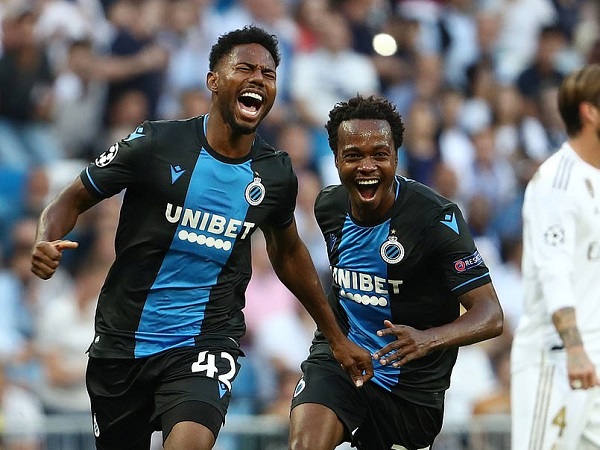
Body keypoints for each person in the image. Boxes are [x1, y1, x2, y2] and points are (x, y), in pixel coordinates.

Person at [29, 26, 373, 450]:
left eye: (268, 74)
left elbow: (288, 254)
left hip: (206, 339)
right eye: (244, 68)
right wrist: (45, 238)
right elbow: (72, 199)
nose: (258, 79)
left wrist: (336, 338)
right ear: (213, 80)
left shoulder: (275, 173)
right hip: (123, 339)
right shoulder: (155, 143)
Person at [288, 94, 504, 450]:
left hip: (411, 390)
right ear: (336, 159)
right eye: (353, 156)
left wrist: (427, 339)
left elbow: (491, 313)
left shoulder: (436, 218)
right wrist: (336, 341)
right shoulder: (329, 206)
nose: (367, 166)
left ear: (396, 157)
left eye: (379, 154)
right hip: (343, 360)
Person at [511, 63, 600, 450]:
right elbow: (555, 271)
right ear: (590, 112)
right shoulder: (556, 181)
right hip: (558, 357)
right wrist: (575, 348)